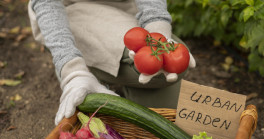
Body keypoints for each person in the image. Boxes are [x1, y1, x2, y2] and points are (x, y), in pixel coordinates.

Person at [27, 0, 196, 125]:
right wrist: (72, 70)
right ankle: (81, 65)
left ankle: (101, 70)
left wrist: (158, 31)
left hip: (127, 9)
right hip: (69, 11)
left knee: (172, 118)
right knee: (152, 75)